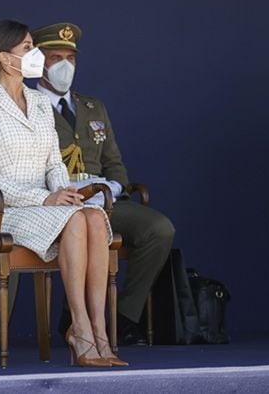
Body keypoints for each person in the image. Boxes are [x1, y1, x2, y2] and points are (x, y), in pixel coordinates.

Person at [0, 19, 127, 367]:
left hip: (46, 207)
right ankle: (80, 329)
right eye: (27, 48)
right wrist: (46, 199)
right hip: (0, 212)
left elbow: (55, 163)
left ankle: (99, 332)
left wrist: (62, 192)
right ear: (7, 59)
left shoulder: (40, 103)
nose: (34, 54)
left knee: (93, 217)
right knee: (75, 220)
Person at [31, 22, 174, 345]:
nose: (65, 66)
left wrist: (110, 189)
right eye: (55, 58)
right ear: (38, 61)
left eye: (71, 58)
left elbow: (116, 165)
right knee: (81, 226)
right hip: (54, 204)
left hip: (102, 202)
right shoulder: (27, 107)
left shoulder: (93, 107)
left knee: (159, 229)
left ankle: (123, 317)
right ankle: (75, 314)